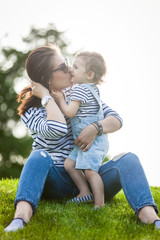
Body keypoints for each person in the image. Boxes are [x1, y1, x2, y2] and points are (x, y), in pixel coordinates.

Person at [4, 44, 160, 232]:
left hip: (90, 176)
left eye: (67, 63)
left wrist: (95, 127)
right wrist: (47, 97)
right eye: (62, 67)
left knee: (129, 159)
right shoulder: (31, 111)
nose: (70, 70)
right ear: (46, 78)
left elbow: (116, 119)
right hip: (58, 180)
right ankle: (21, 216)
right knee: (38, 157)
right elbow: (58, 128)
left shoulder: (79, 92)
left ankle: (149, 215)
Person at [52, 51, 109, 208]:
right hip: (85, 141)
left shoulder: (80, 89)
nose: (71, 69)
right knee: (69, 164)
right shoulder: (92, 88)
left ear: (90, 74)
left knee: (90, 172)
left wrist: (60, 99)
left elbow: (70, 112)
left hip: (92, 141)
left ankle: (99, 204)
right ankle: (85, 192)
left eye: (76, 67)